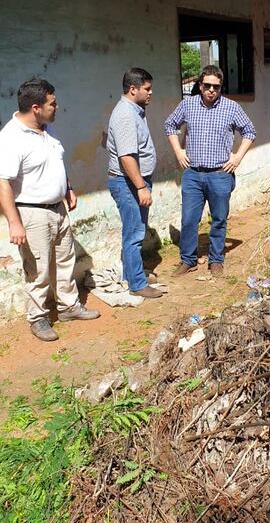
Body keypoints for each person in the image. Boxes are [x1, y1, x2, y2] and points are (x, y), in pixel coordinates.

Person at [0, 78, 100, 341]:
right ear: (36, 107)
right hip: (32, 213)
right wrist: (14, 222)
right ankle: (38, 317)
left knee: (65, 260)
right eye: (52, 104)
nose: (57, 107)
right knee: (38, 269)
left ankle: (69, 307)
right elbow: (3, 182)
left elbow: (56, 161)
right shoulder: (11, 138)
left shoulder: (46, 129)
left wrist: (68, 187)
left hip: (57, 209)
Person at [165, 65, 256, 277]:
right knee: (189, 219)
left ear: (220, 87)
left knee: (219, 219)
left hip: (220, 175)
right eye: (207, 85)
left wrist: (238, 157)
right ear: (200, 85)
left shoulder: (231, 107)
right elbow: (170, 125)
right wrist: (178, 151)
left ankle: (216, 259)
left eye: (216, 86)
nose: (211, 90)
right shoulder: (188, 104)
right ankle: (188, 259)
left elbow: (250, 131)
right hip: (193, 175)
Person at [107, 67, 163, 300]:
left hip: (133, 182)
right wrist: (141, 186)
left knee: (136, 231)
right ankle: (137, 283)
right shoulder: (125, 115)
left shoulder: (135, 111)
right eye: (147, 89)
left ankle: (134, 274)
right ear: (133, 89)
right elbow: (126, 157)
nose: (151, 93)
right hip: (127, 183)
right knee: (134, 234)